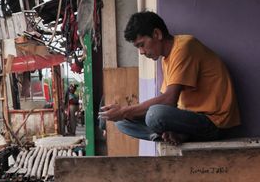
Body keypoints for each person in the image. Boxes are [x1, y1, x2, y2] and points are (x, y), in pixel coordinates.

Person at [100, 11, 240, 145]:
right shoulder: (165, 59)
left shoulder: (185, 46)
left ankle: (177, 134)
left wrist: (125, 110)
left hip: (215, 123)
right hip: (190, 120)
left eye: (142, 45)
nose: (141, 52)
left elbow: (169, 100)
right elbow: (164, 101)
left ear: (157, 34)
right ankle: (171, 135)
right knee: (122, 122)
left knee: (154, 114)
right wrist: (123, 113)